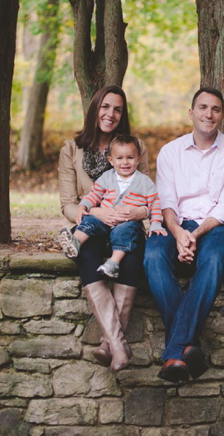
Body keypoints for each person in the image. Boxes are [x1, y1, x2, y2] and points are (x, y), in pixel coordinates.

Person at [144, 87, 224, 383]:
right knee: (152, 256)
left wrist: (197, 234)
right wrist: (178, 233)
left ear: (222, 115)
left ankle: (175, 351)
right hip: (176, 224)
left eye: (215, 109)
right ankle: (188, 346)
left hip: (215, 227)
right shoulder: (170, 152)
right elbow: (167, 202)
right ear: (191, 113)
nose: (209, 114)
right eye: (203, 108)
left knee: (214, 259)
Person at [57, 85, 149, 372]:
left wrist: (137, 212)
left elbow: (148, 195)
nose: (110, 114)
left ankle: (109, 345)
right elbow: (68, 204)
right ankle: (119, 346)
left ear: (122, 115)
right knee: (85, 253)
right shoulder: (71, 150)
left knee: (132, 258)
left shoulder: (136, 148)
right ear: (95, 109)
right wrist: (95, 211)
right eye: (105, 106)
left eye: (117, 109)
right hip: (92, 225)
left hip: (126, 227)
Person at [57, 134, 167, 278]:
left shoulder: (144, 182)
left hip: (127, 222)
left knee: (125, 233)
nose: (125, 162)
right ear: (111, 160)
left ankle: (113, 263)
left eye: (130, 158)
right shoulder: (107, 177)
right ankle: (75, 242)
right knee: (89, 221)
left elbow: (154, 203)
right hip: (104, 219)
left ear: (138, 159)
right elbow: (94, 194)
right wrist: (83, 206)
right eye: (120, 158)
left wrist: (156, 224)